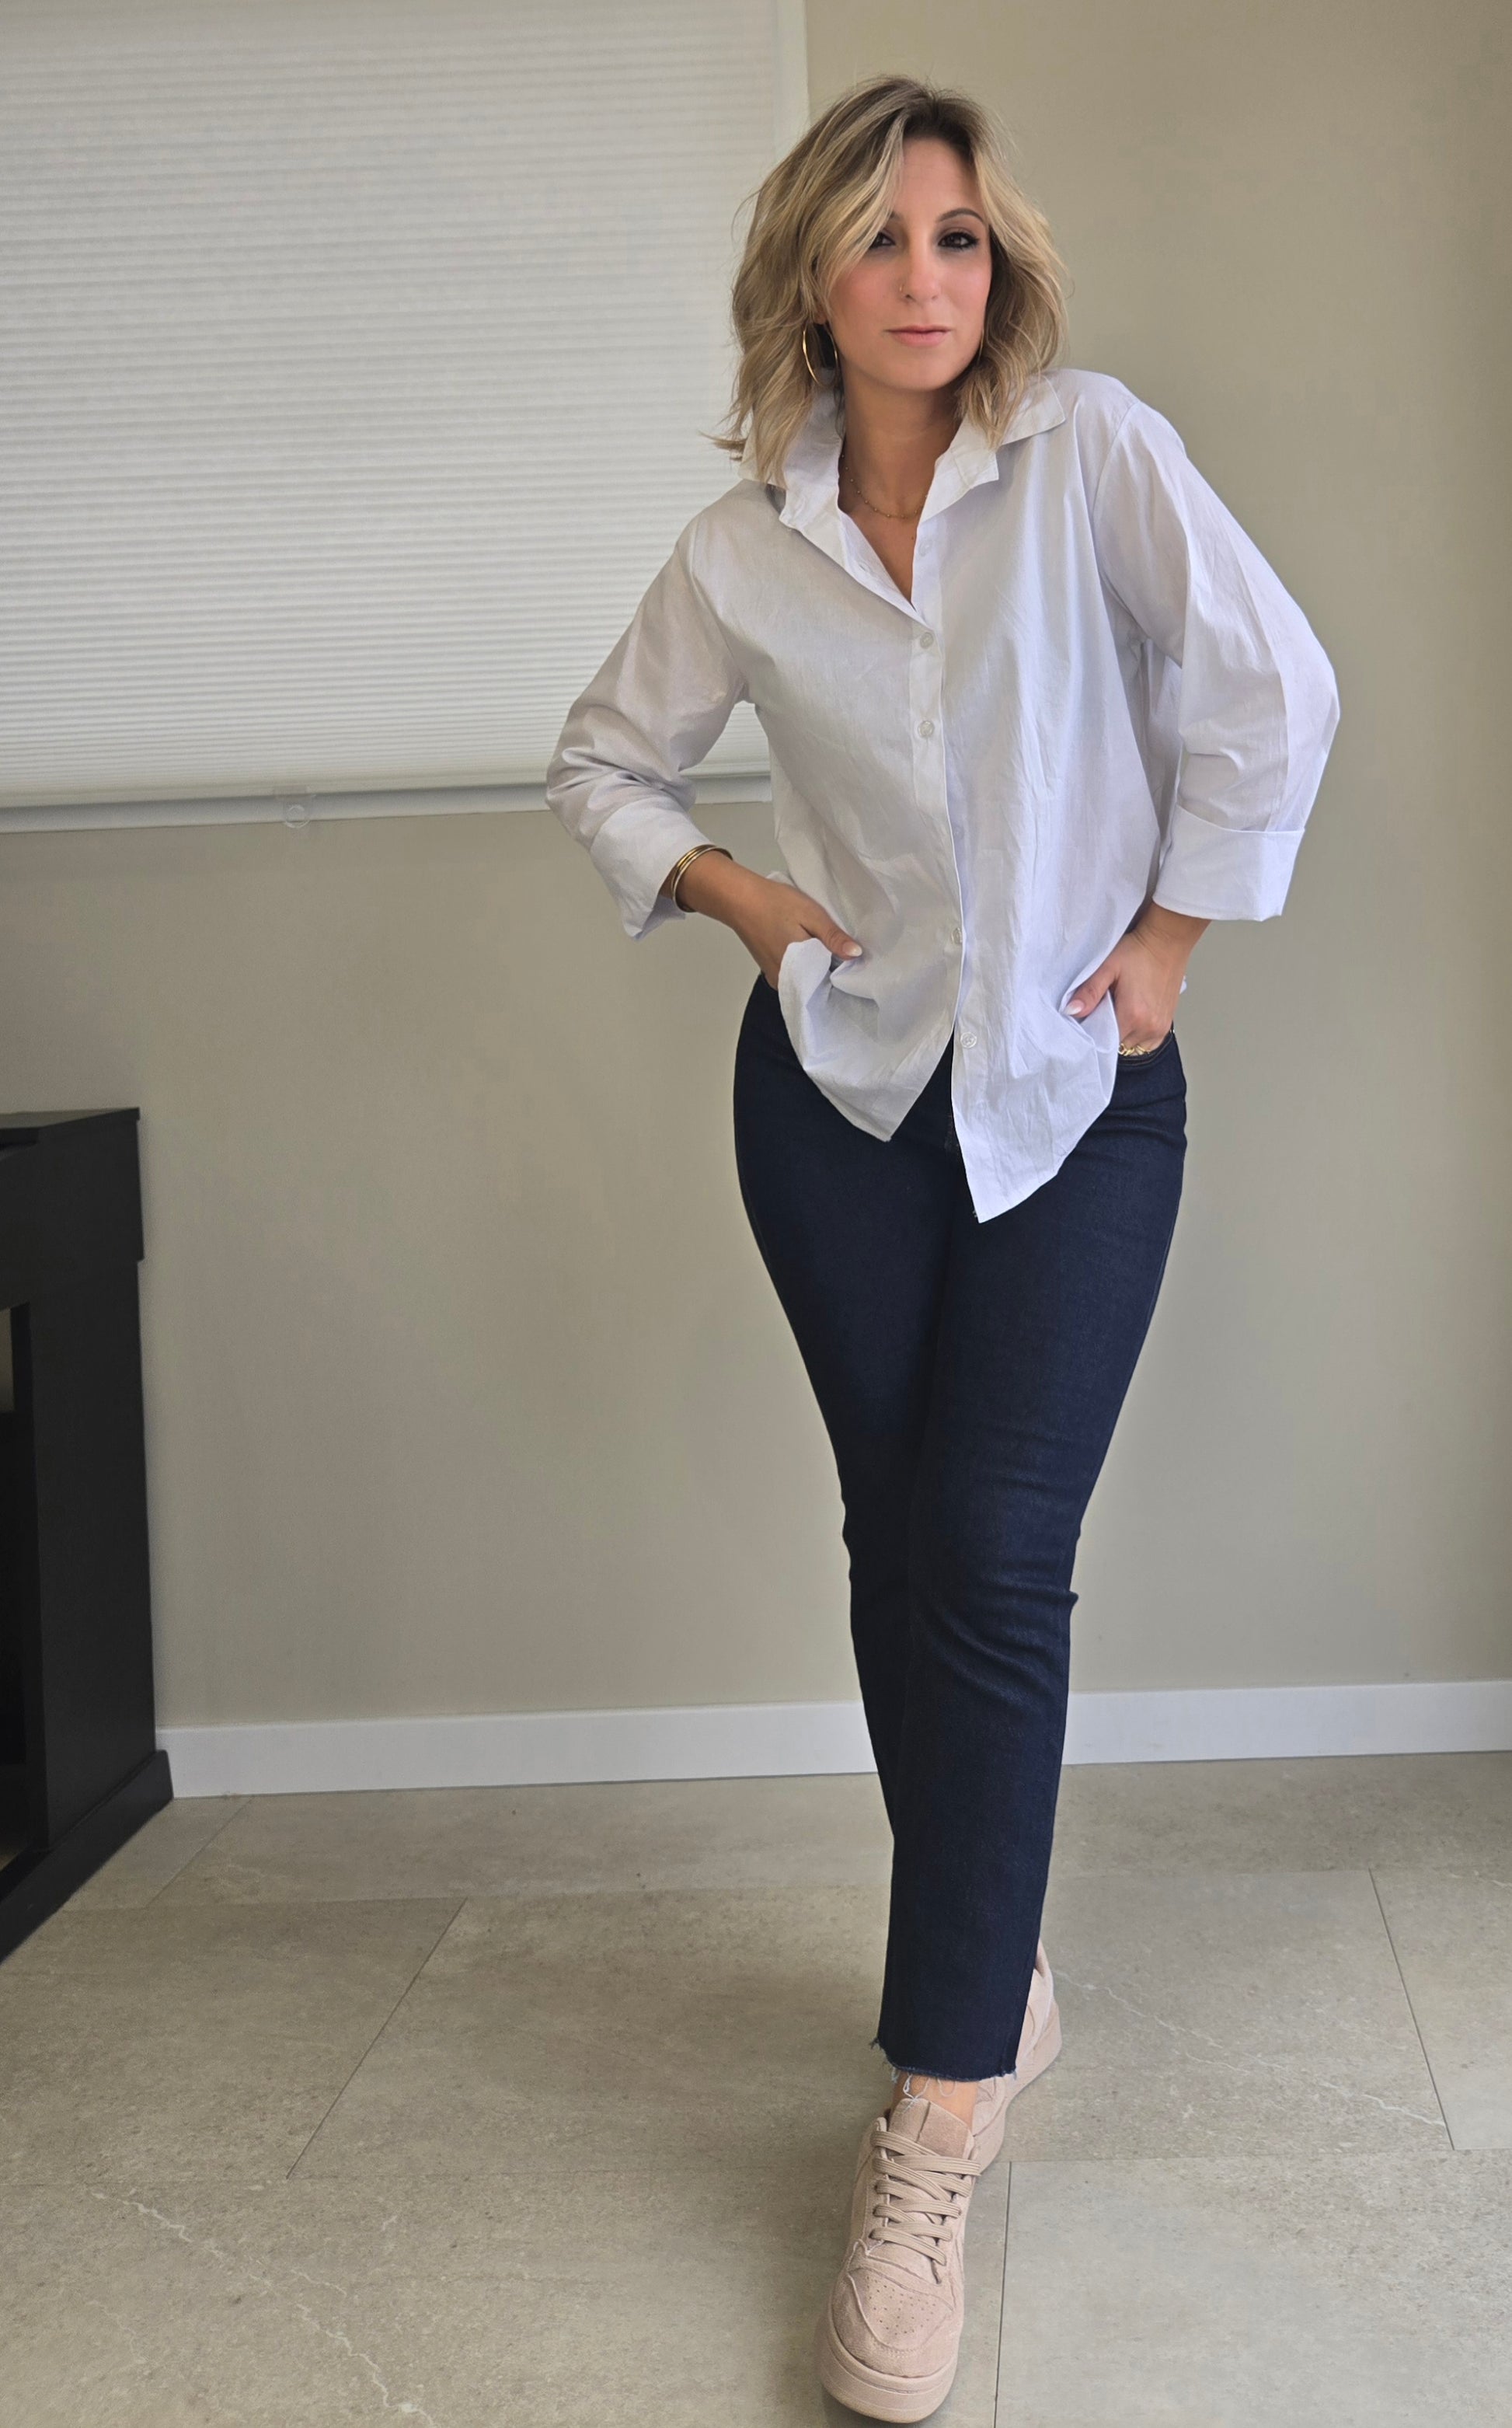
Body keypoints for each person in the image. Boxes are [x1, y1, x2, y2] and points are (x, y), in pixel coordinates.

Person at [545, 69, 1340, 2426]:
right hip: (842, 1101)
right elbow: (601, 762)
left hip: (1074, 1100)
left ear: (1002, 267)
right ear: (813, 273)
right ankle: (993, 1974)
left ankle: (931, 2126)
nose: (927, 278)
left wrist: (1171, 941)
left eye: (960, 238)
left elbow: (1271, 688)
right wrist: (735, 893)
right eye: (884, 239)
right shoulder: (740, 553)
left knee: (990, 1555)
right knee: (901, 1549)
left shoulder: (1088, 456)